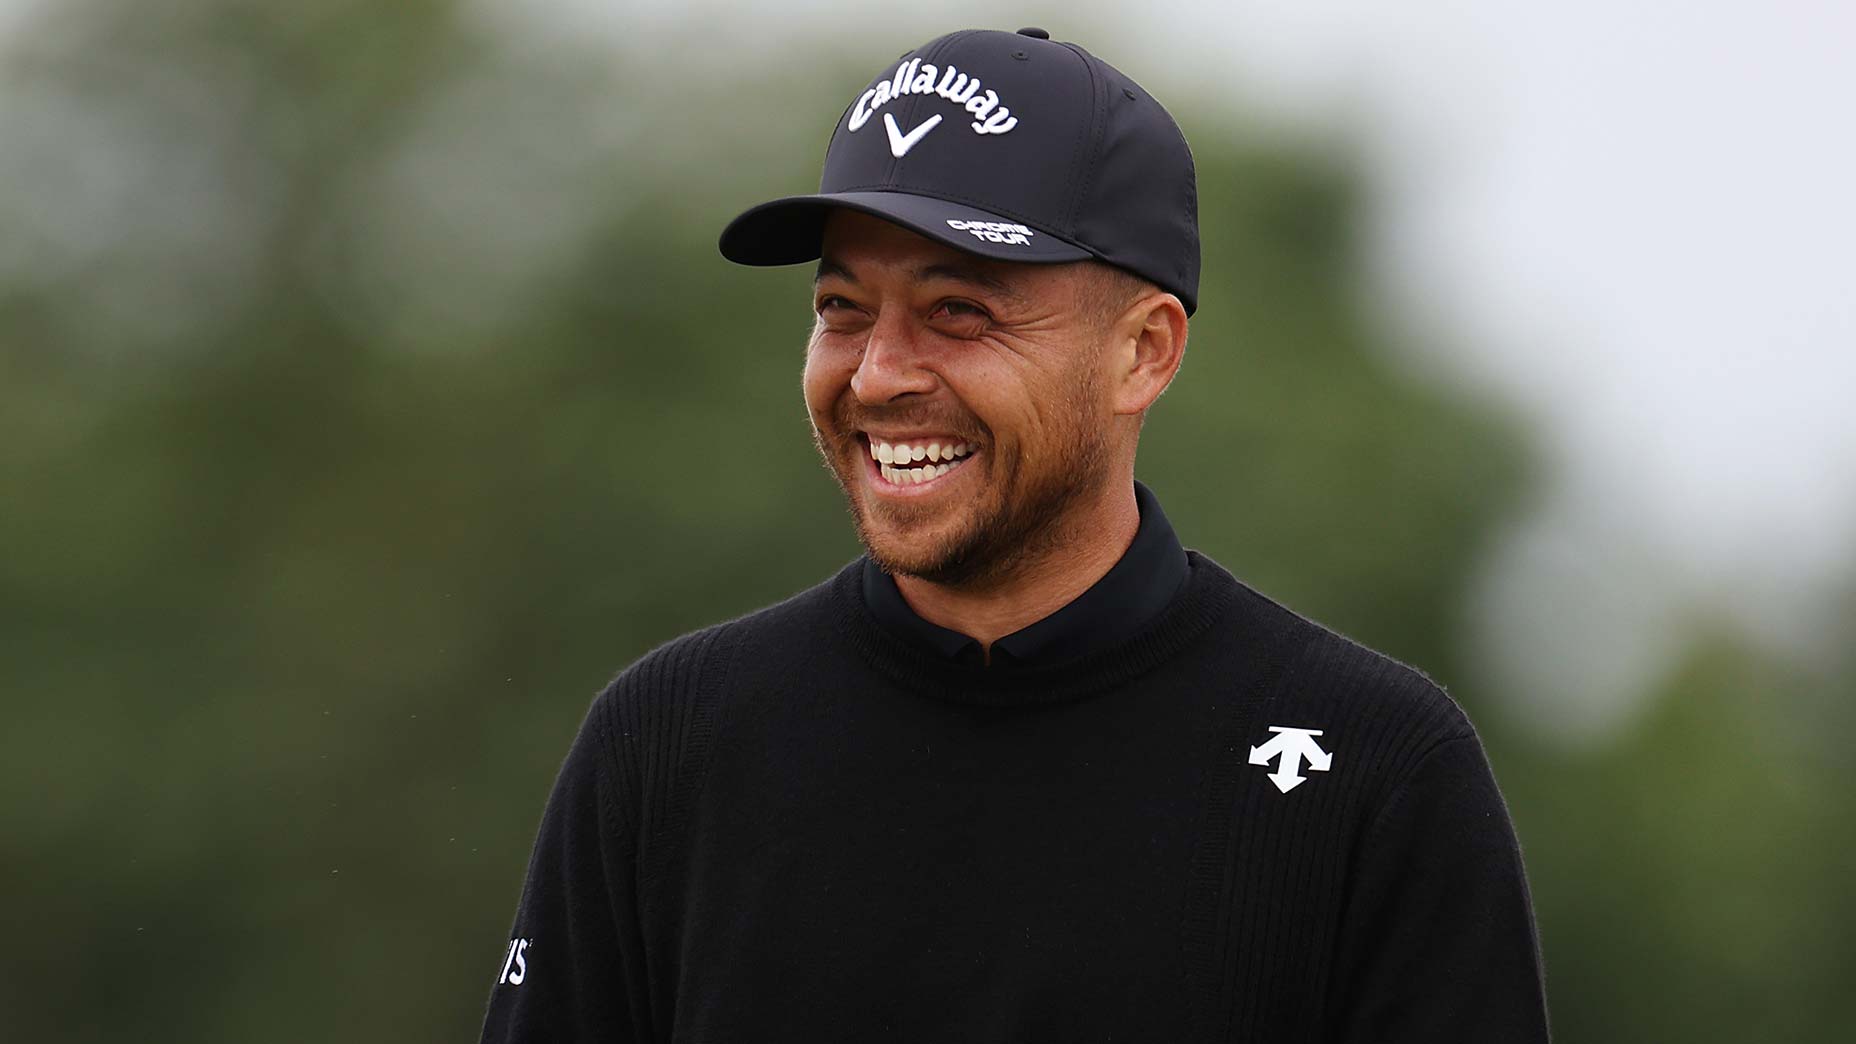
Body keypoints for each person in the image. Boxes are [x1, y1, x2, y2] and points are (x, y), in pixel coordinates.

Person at [478, 26, 1550, 1043]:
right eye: (842, 307)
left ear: (1142, 352)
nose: (877, 373)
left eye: (958, 312)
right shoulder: (666, 745)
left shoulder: (1373, 769)